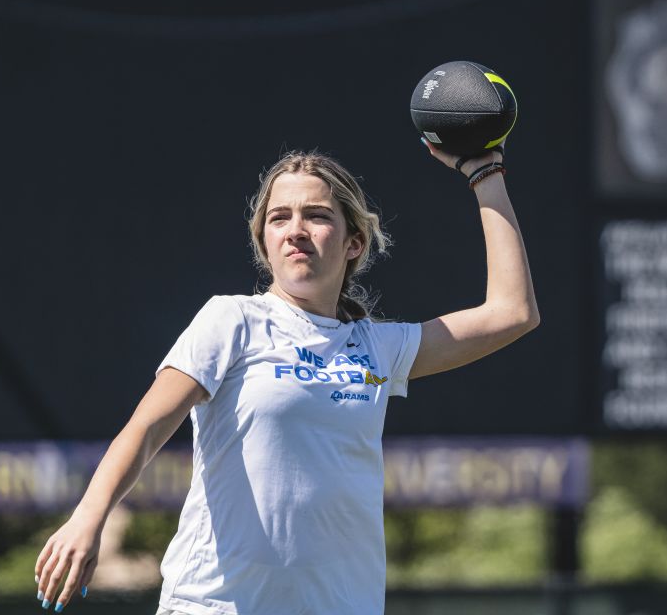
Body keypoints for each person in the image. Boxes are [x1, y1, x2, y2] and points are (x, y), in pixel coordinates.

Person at [33, 143, 539, 614]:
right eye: (279, 218)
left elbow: (513, 312)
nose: (295, 228)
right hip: (214, 605)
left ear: (354, 242)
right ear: (265, 243)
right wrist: (88, 518)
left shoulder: (379, 348)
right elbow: (144, 430)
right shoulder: (230, 320)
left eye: (317, 215)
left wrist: (484, 172)